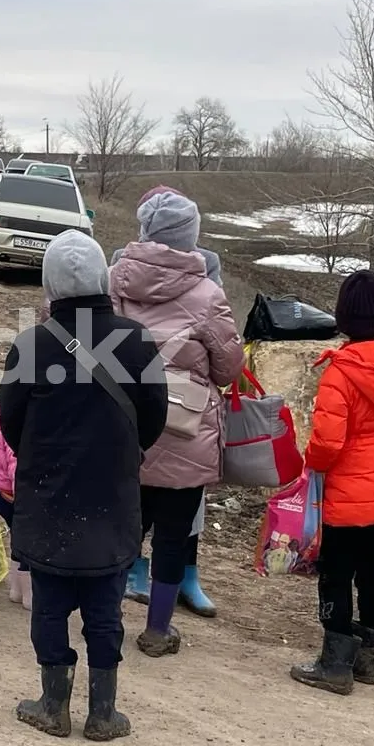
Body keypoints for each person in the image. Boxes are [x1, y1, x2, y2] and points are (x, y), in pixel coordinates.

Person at [0, 230, 167, 740]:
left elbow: (10, 423)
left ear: (50, 284)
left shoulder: (32, 344)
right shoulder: (137, 341)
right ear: (104, 278)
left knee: (49, 605)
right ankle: (103, 713)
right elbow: (154, 420)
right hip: (113, 499)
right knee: (105, 608)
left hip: (48, 497)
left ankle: (53, 706)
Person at [109, 189, 245, 658]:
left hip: (123, 426)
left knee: (124, 527)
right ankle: (157, 630)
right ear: (191, 237)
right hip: (184, 431)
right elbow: (228, 368)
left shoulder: (113, 281)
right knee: (172, 535)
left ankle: (107, 620)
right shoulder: (209, 293)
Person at [290, 271, 374, 694]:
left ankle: (335, 664)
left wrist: (310, 463)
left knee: (335, 572)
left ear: (344, 316)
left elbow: (327, 445)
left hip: (348, 489)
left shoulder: (341, 371)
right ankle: (369, 661)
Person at [0, 397, 30, 609]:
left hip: (0, 490)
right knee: (28, 543)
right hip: (17, 494)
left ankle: (15, 589)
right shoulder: (19, 423)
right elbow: (15, 464)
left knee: (16, 539)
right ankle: (28, 595)